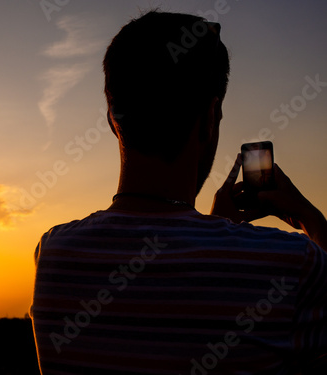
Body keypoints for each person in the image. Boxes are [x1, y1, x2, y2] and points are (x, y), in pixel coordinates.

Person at [31, 10, 327, 375]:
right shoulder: (291, 265)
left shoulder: (53, 255)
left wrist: (214, 228)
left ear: (112, 118)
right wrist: (313, 220)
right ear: (209, 117)